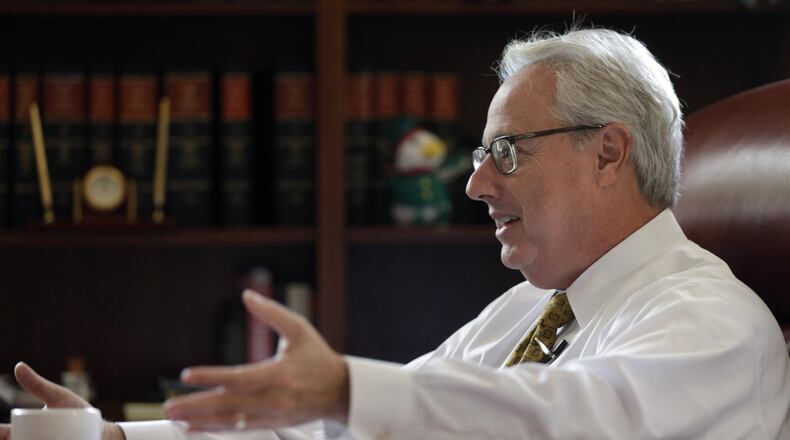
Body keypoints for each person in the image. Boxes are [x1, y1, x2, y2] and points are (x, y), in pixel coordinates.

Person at [3, 26, 790, 439]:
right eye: (480, 157)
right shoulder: (529, 311)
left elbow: (566, 423)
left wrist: (349, 388)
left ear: (609, 152)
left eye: (506, 152)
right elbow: (343, 428)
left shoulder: (711, 322)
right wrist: (114, 439)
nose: (476, 185)